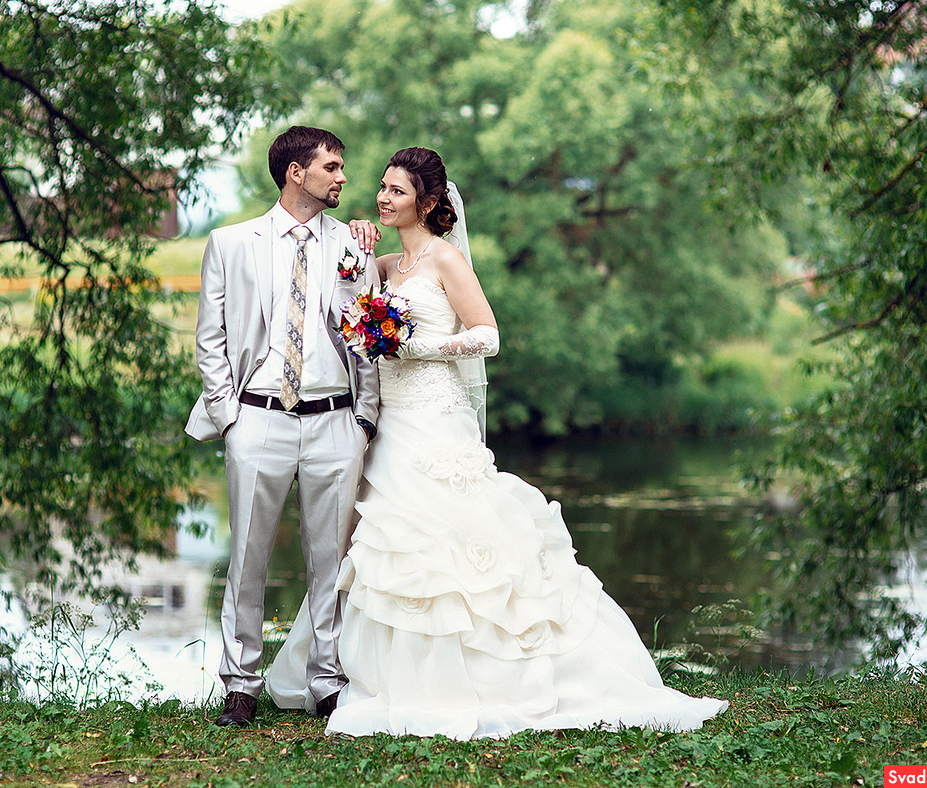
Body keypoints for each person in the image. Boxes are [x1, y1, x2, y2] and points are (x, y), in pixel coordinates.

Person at [266, 147, 728, 739]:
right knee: (384, 542)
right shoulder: (383, 267)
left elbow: (487, 334)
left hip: (436, 417)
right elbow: (350, 289)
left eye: (396, 191)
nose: (382, 198)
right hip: (390, 423)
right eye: (381, 187)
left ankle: (483, 678)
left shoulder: (446, 261)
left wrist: (418, 347)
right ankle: (352, 674)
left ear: (428, 203)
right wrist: (358, 252)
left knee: (452, 541)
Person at [185, 126, 382, 728]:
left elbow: (372, 331)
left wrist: (364, 417)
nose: (343, 178)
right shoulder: (231, 242)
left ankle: (326, 682)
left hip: (334, 421)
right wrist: (230, 416)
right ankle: (240, 684)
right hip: (258, 418)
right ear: (297, 173)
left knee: (332, 560)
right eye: (332, 167)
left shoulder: (354, 243)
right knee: (246, 556)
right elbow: (210, 337)